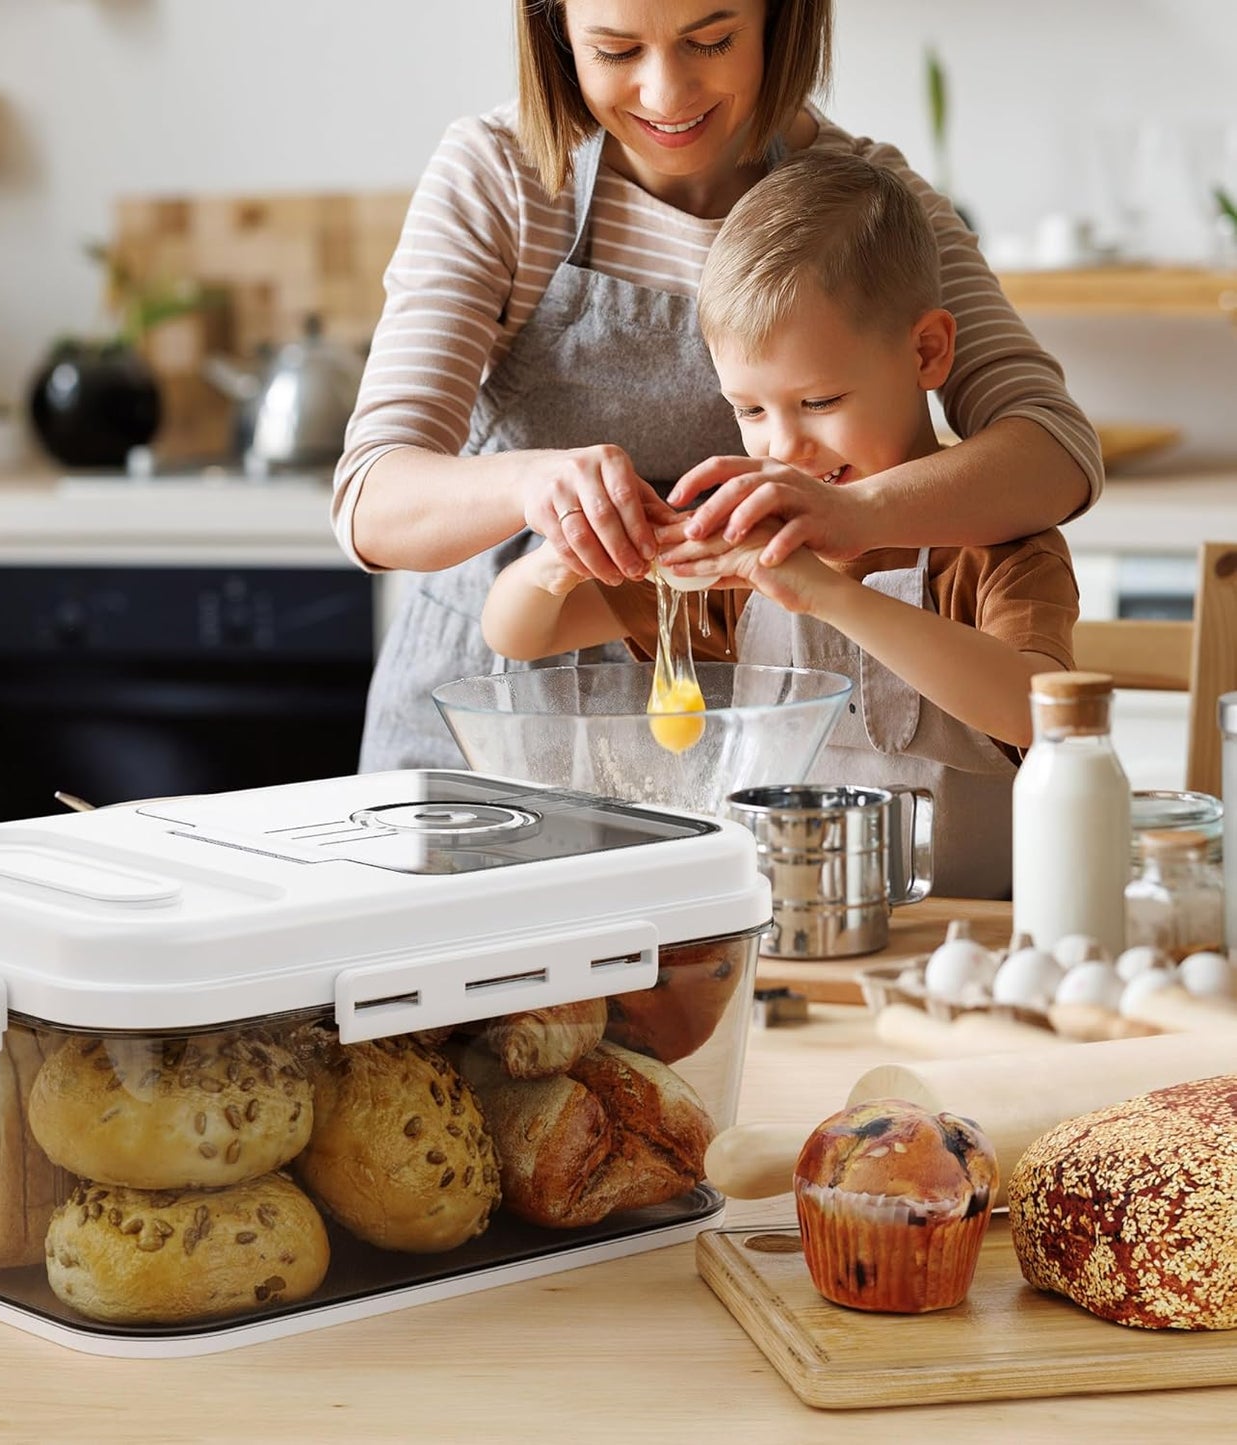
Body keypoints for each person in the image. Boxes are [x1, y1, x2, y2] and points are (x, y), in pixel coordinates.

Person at [335, 0, 1100, 774]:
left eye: (711, 39)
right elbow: (371, 500)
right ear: (555, 36)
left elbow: (1056, 452)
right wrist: (533, 486)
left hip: (709, 757)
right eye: (615, 51)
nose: (665, 94)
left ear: (780, 19)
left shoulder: (864, 209)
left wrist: (852, 517)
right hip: (481, 733)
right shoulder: (502, 176)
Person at [482, 149, 1079, 897]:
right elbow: (518, 634)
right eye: (750, 410)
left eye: (820, 402)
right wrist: (563, 556)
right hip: (787, 938)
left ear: (927, 351)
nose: (784, 446)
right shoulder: (742, 548)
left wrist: (826, 593)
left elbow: (1039, 713)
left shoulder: (996, 541)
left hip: (976, 941)